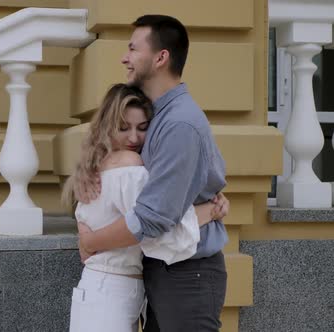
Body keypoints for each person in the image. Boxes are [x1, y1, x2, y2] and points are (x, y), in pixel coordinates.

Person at [76, 15, 229, 332]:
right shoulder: (154, 117)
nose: (124, 57)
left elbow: (153, 217)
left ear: (160, 58)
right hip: (160, 267)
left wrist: (91, 241)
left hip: (187, 270)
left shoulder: (179, 123)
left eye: (133, 48)